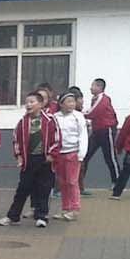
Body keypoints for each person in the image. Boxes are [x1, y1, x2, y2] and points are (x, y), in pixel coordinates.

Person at [0, 92, 58, 229]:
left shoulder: (50, 120)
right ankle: (13, 216)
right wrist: (19, 155)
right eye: (27, 102)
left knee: (44, 189)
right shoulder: (22, 122)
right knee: (23, 189)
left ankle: (41, 216)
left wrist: (51, 154)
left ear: (41, 104)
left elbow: (57, 139)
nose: (28, 105)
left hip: (45, 160)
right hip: (29, 160)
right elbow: (16, 140)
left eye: (32, 102)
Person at [52, 89, 88, 221]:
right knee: (62, 182)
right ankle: (65, 208)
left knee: (72, 181)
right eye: (68, 101)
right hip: (59, 153)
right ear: (61, 104)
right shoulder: (55, 117)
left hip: (73, 153)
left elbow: (83, 135)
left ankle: (74, 208)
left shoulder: (78, 116)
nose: (72, 104)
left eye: (73, 101)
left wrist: (81, 154)